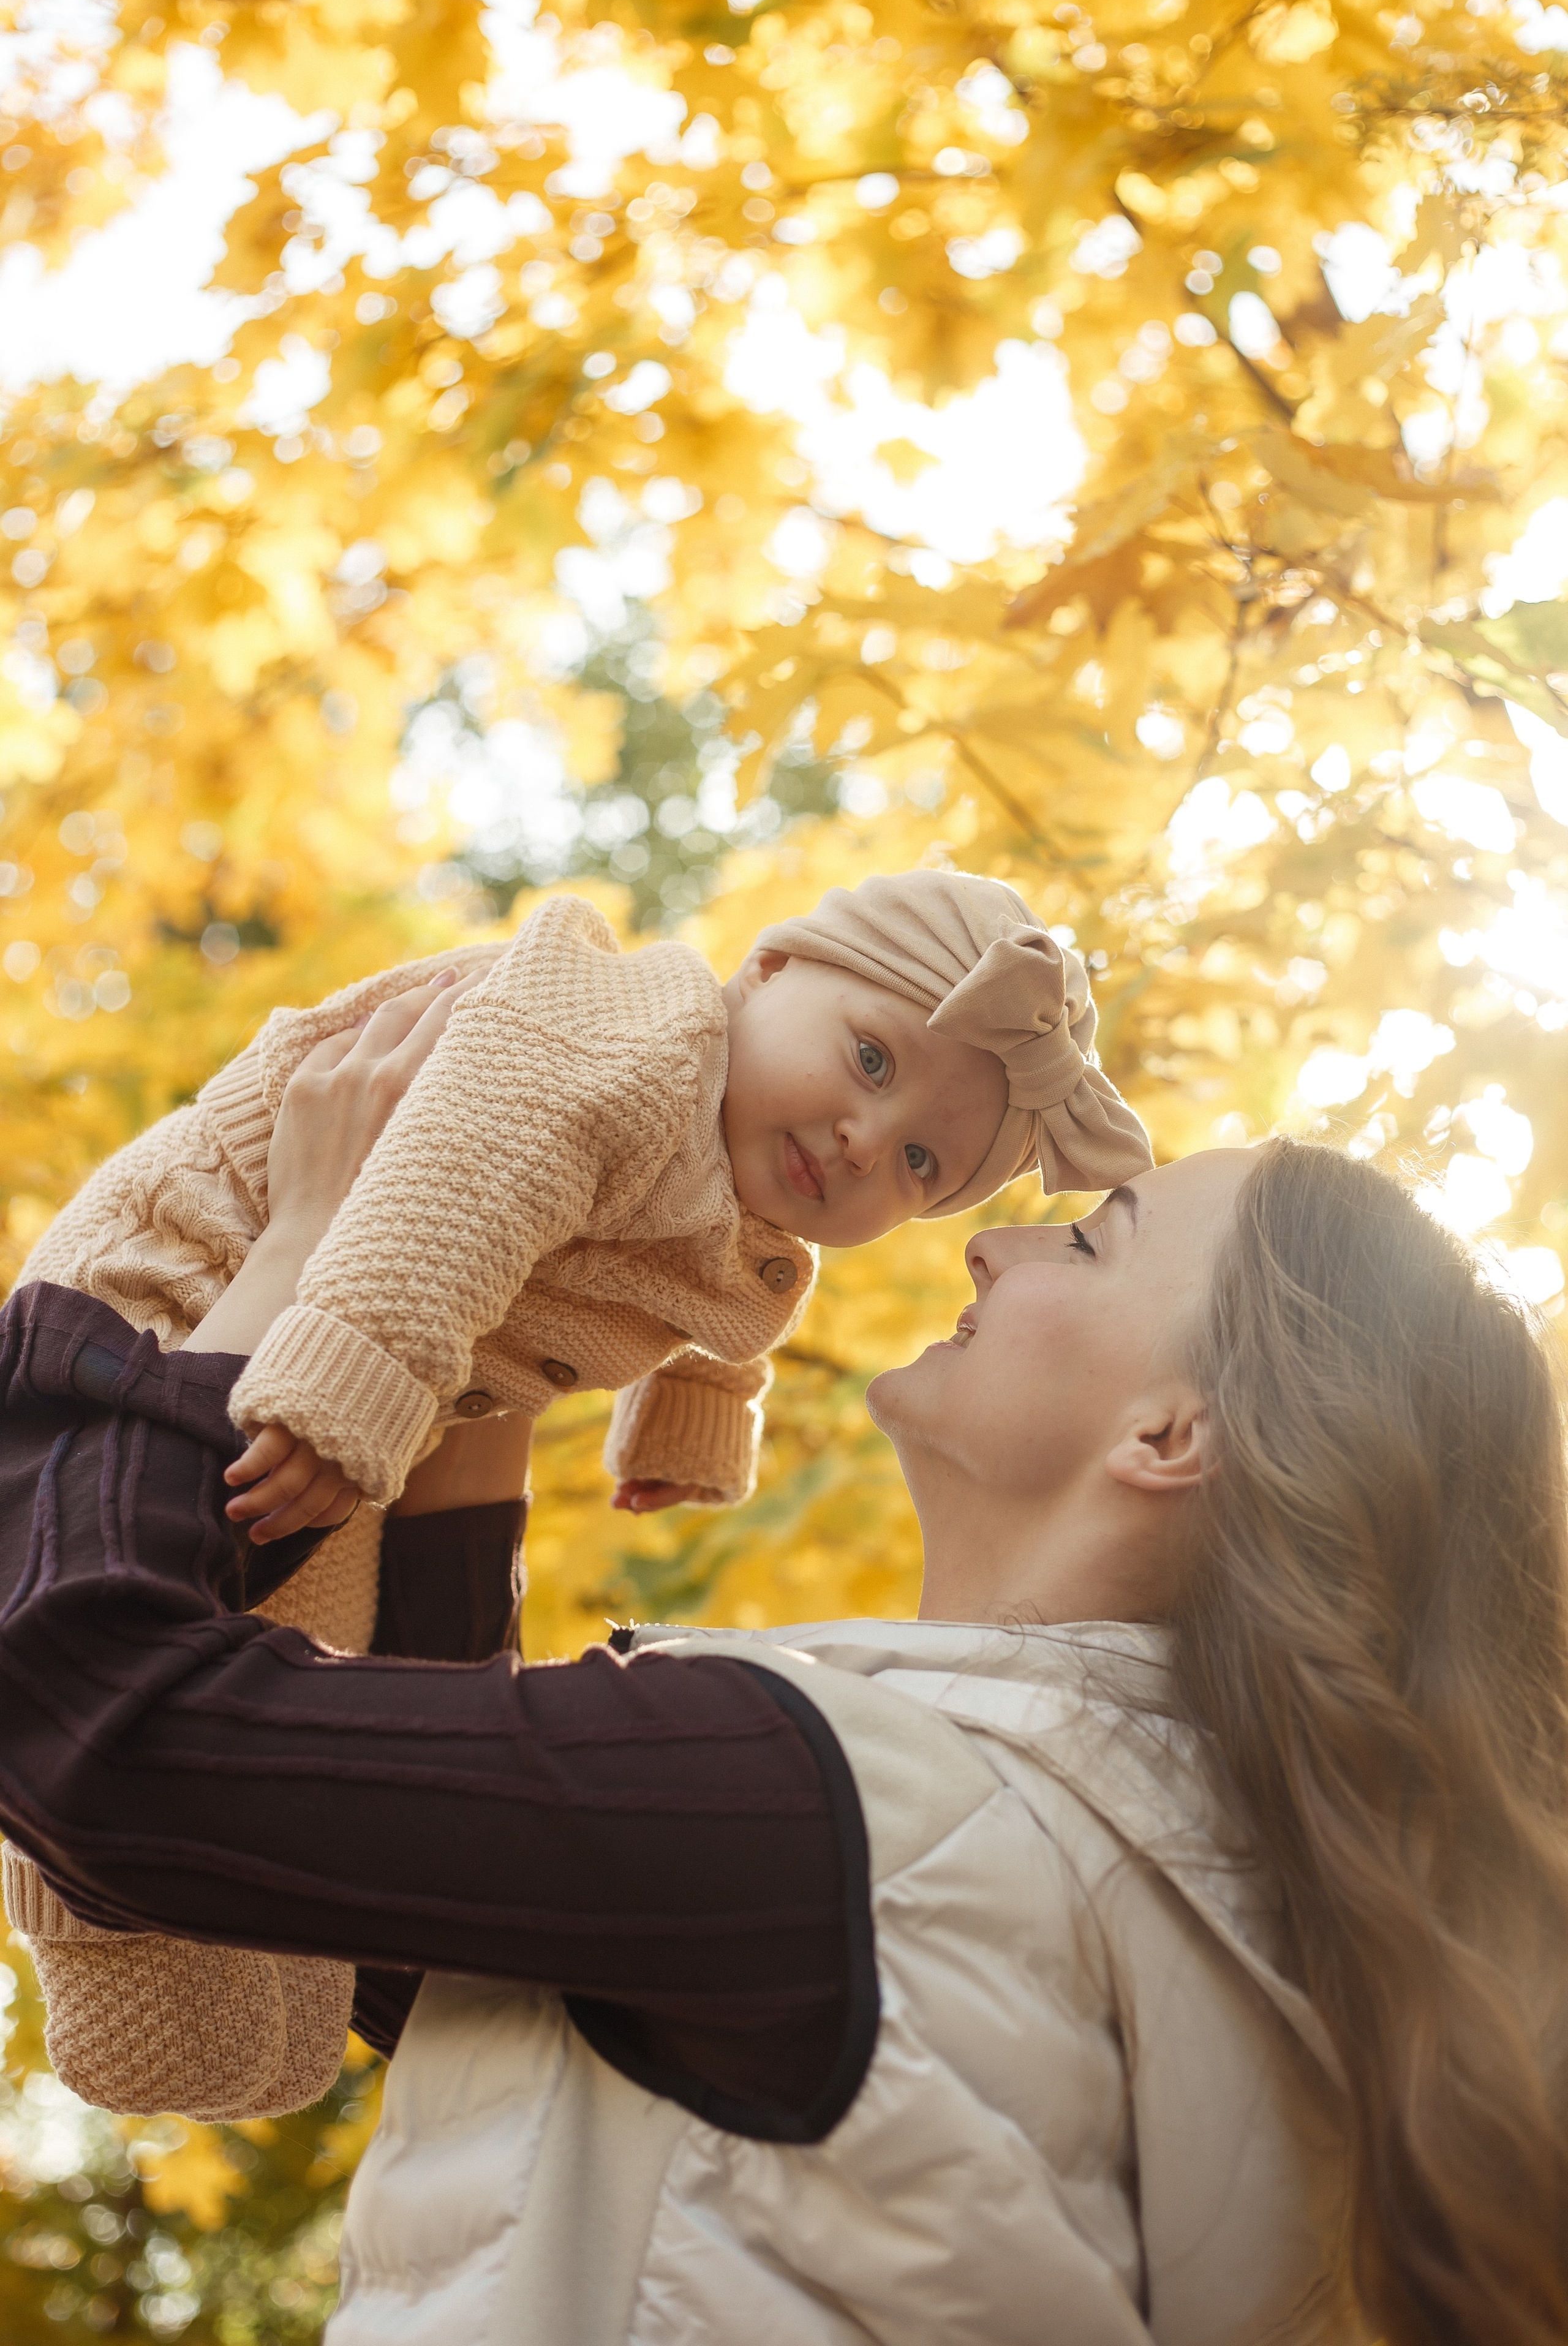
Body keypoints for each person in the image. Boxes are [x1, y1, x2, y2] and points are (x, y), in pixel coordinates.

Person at [2, 1003, 1566, 2345]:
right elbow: (491, 1975)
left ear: (1170, 1438)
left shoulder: (864, 1817)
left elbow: (97, 1733)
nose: (994, 1239)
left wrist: (263, 1269)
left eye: (1089, 1240)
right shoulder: (1183, 1885)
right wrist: (479, 1344)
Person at [2, 869, 1153, 2119]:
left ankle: (173, 1937)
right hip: (200, 1282)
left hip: (353, 1367)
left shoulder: (742, 1186)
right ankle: (95, 1922)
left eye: (919, 1161)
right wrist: (358, 1380)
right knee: (197, 1717)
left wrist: (692, 1420)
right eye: (870, 1061)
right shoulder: (627, 1045)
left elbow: (733, 1302)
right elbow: (458, 1181)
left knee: (291, 1823)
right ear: (764, 969)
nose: (861, 1142)